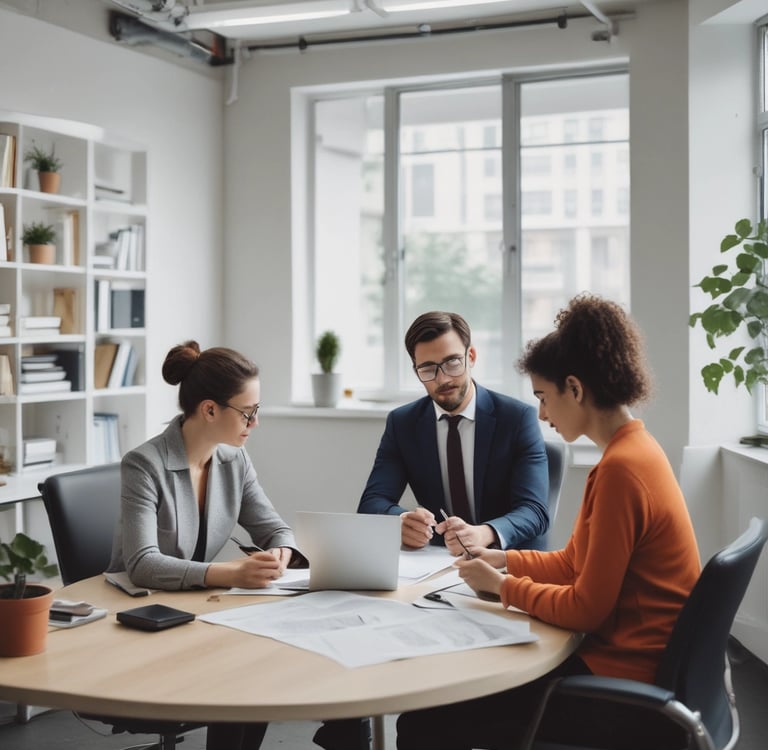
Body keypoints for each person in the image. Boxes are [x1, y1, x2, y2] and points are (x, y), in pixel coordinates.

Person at [395, 294, 702, 750]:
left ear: (574, 389)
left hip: (624, 685)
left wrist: (501, 587)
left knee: (426, 719)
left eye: (543, 397)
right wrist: (501, 559)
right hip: (638, 666)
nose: (541, 414)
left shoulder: (621, 470)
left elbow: (585, 609)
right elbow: (578, 562)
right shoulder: (636, 452)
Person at [314, 311, 549, 750]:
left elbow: (535, 512)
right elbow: (372, 502)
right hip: (433, 578)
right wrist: (400, 521)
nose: (443, 378)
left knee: (433, 720)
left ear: (472, 356)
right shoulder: (404, 422)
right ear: (416, 371)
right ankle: (350, 721)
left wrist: (487, 533)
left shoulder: (516, 417)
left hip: (503, 578)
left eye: (452, 362)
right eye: (428, 368)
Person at [107, 340, 306, 750]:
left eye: (257, 410)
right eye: (248, 412)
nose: (255, 422)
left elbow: (276, 529)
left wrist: (281, 553)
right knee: (243, 671)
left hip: (197, 611)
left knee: (263, 664)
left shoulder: (234, 460)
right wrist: (231, 573)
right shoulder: (144, 464)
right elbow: (142, 564)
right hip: (143, 617)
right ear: (210, 410)